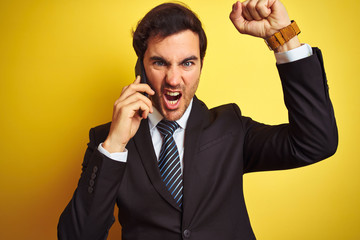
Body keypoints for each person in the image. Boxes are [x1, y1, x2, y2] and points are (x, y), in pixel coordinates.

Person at [58, 0, 338, 239]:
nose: (173, 79)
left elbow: (316, 142)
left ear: (201, 65)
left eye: (187, 63)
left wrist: (285, 39)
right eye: (159, 62)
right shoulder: (108, 142)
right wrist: (115, 146)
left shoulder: (231, 128)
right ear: (140, 66)